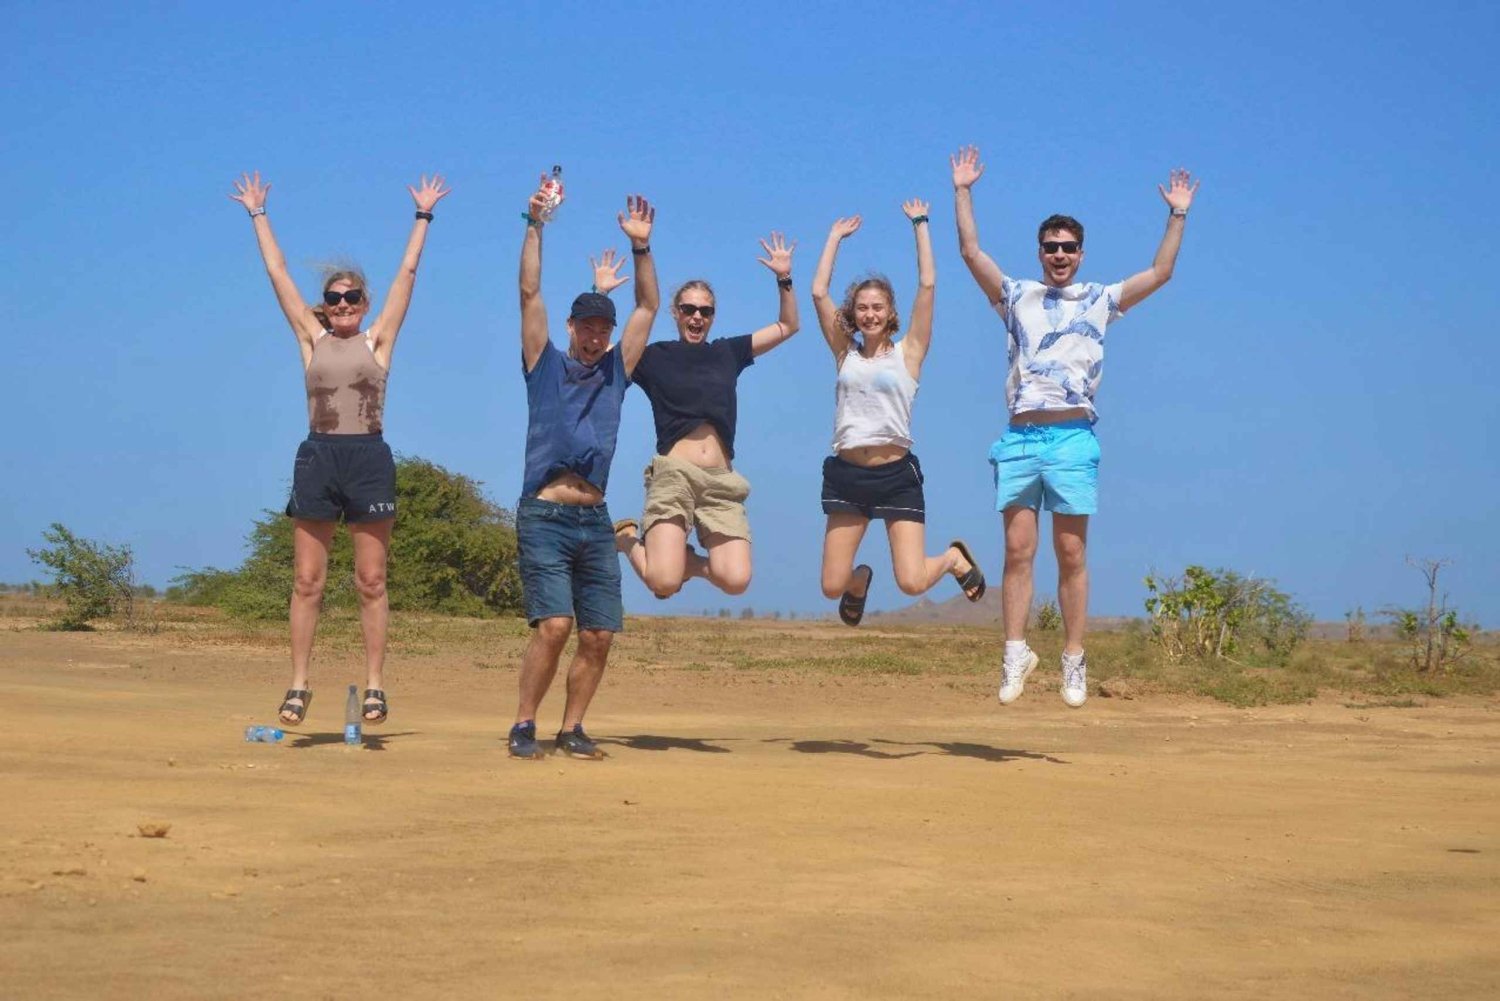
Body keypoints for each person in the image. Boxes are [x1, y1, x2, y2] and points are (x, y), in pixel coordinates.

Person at [951, 145, 1199, 707]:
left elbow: (1161, 272)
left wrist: (1177, 213)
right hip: (1019, 437)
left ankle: (1073, 659)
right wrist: (962, 191)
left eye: (1068, 248)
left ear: (1081, 254)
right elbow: (970, 251)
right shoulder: (1016, 296)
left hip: (1071, 439)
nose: (1058, 255)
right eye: (1050, 248)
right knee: (1017, 551)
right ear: (1039, 252)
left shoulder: (1100, 299)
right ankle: (1015, 654)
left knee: (1071, 554)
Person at [228, 171, 450, 728]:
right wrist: (258, 214)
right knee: (308, 581)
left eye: (352, 297)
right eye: (335, 298)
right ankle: (298, 684)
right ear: (325, 305)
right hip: (319, 456)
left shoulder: (379, 340)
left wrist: (423, 217)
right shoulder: (312, 339)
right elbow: (277, 273)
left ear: (365, 301)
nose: (344, 303)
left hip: (369, 457)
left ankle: (376, 686)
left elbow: (408, 273)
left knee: (370, 581)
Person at [509, 182, 658, 760]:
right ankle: (524, 725)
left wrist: (642, 249)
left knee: (598, 633)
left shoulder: (618, 371)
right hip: (544, 514)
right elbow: (528, 292)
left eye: (603, 328)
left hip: (594, 519)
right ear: (571, 327)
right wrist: (535, 223)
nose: (595, 336)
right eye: (587, 327)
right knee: (554, 625)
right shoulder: (543, 364)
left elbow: (647, 307)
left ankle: (572, 728)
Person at [809, 202, 986, 626]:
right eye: (862, 308)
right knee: (832, 585)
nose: (869, 314)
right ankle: (859, 582)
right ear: (853, 313)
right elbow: (818, 293)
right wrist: (833, 238)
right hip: (848, 475)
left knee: (911, 581)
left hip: (895, 477)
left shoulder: (910, 352)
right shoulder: (843, 353)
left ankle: (951, 559)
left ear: (890, 313)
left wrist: (921, 226)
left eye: (878, 307)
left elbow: (927, 284)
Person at [613, 234, 799, 598]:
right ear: (675, 312)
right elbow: (599, 356)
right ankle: (626, 539)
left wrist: (784, 278)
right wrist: (600, 292)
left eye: (705, 311)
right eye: (689, 309)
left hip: (720, 479)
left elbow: (788, 326)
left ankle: (687, 562)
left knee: (736, 580)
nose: (697, 316)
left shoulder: (727, 352)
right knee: (663, 582)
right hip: (674, 474)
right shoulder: (653, 357)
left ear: (712, 317)